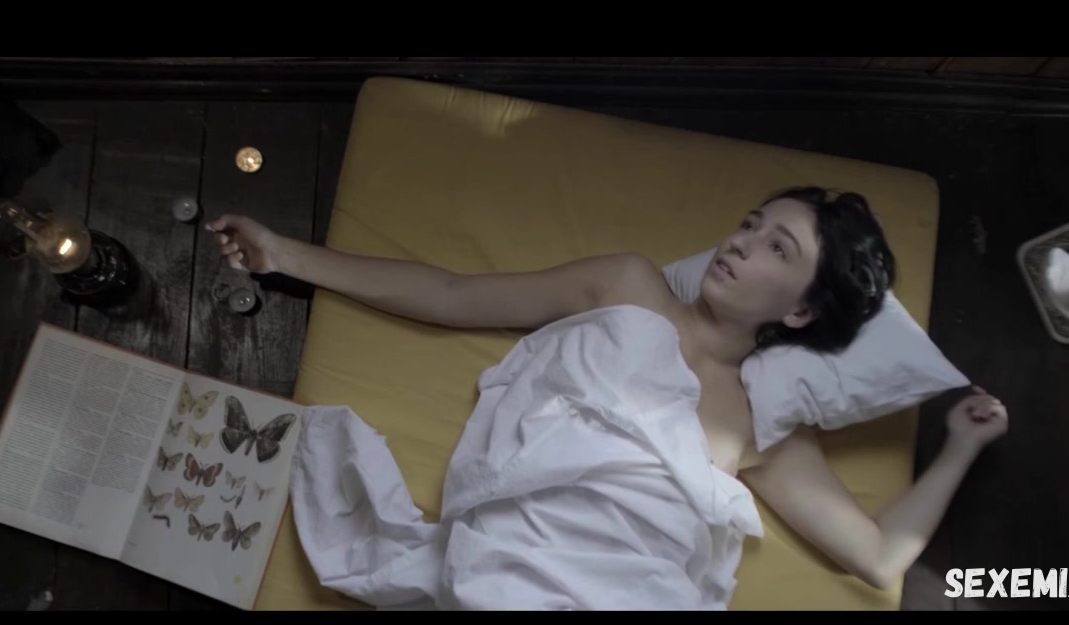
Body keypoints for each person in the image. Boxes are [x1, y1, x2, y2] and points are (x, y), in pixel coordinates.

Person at [205, 186, 1008, 602]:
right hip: (515, 564)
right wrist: (287, 256)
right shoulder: (626, 285)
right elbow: (451, 293)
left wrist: (962, 447)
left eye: (777, 248)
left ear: (798, 311)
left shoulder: (761, 424)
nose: (740, 243)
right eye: (750, 223)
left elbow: (877, 556)